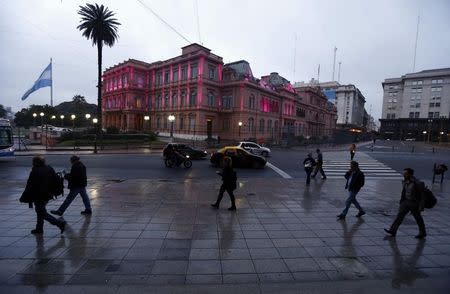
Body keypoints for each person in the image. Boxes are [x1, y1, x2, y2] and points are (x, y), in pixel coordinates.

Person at [22, 156, 66, 234]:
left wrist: (25, 195)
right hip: (48, 194)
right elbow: (55, 179)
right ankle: (39, 229)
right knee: (40, 211)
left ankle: (59, 223)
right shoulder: (49, 168)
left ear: (35, 162)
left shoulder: (35, 171)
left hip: (39, 195)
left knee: (41, 212)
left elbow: (30, 184)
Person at [384, 168, 426, 239]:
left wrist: (421, 206)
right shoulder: (405, 181)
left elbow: (422, 195)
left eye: (405, 173)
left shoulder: (417, 183)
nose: (404, 174)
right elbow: (404, 192)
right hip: (406, 202)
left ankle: (423, 232)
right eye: (404, 173)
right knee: (399, 217)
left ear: (410, 174)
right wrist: (402, 201)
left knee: (418, 218)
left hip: (414, 203)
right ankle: (393, 231)